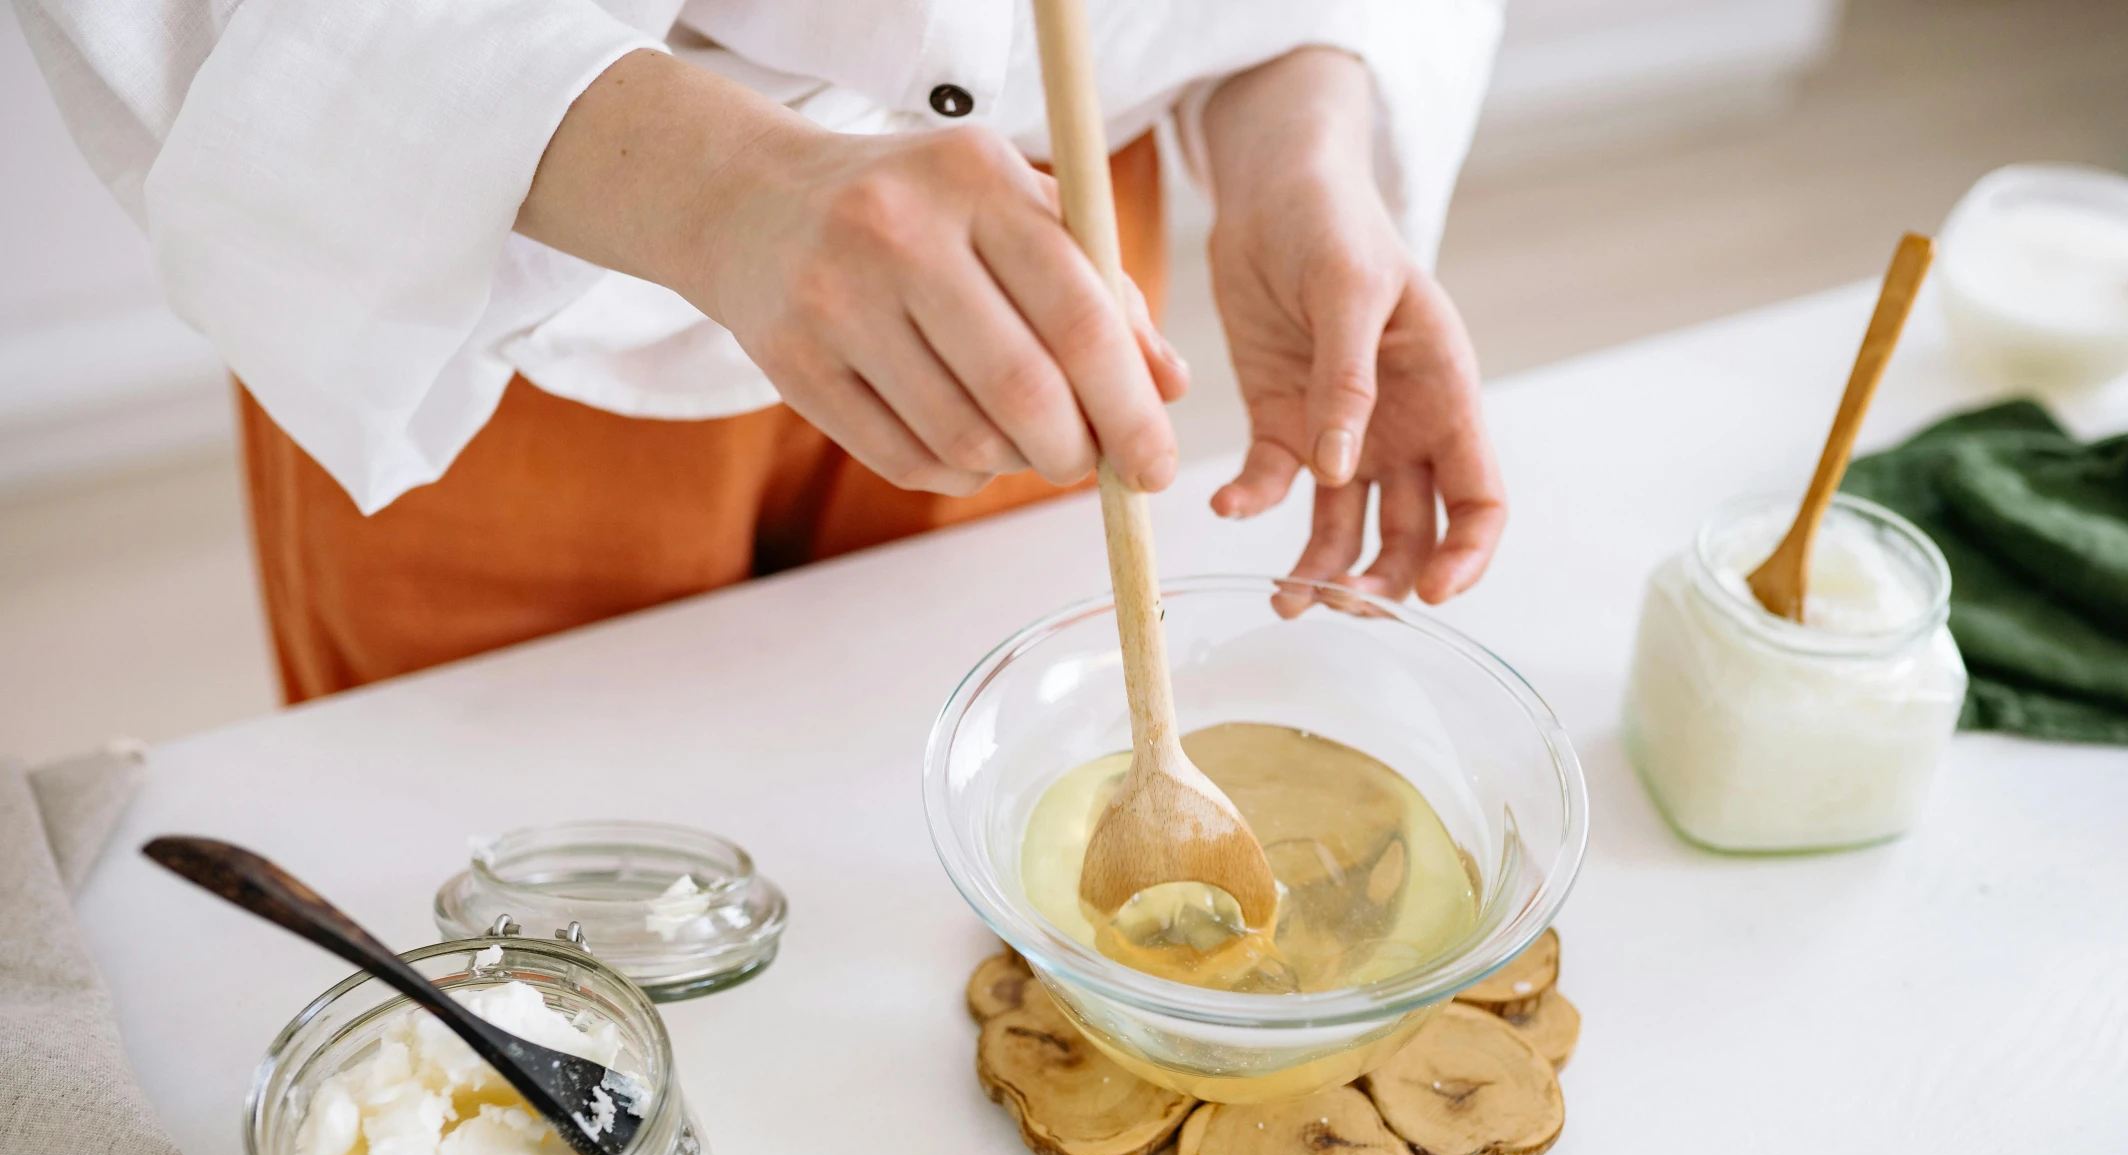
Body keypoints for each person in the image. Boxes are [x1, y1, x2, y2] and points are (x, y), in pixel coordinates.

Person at [22, 2, 1509, 700]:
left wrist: (1294, 121)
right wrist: (730, 187)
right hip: (503, 275)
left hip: (1044, 234)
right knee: (500, 918)